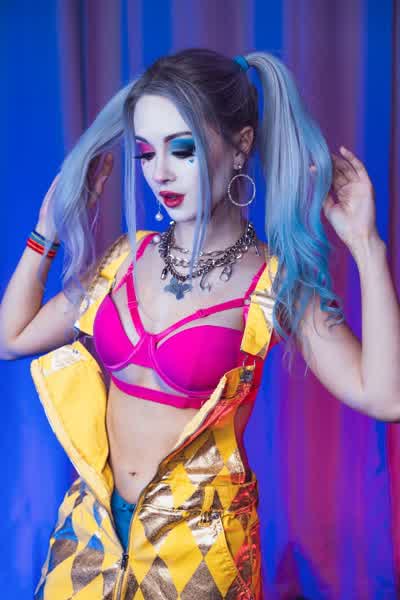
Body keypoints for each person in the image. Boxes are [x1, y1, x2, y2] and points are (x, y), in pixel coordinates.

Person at [1, 47, 399, 599]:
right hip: (91, 538)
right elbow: (11, 338)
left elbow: (385, 396)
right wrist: (47, 231)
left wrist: (367, 247)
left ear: (241, 145)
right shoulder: (123, 260)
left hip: (199, 559)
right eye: (145, 153)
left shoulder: (274, 283)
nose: (159, 173)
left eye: (182, 149)